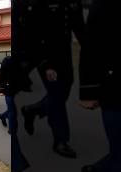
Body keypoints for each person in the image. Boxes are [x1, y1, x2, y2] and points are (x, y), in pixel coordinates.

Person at [18, 0, 85, 158]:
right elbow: (32, 33)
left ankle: (33, 110)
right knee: (56, 97)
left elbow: (79, 27)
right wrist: (46, 64)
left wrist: (91, 49)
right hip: (45, 56)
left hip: (65, 55)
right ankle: (60, 140)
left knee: (63, 91)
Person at [79, 0, 121, 172]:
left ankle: (97, 171)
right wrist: (88, 91)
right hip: (114, 88)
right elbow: (90, 48)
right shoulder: (104, 5)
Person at [0, 56, 31, 172]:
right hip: (8, 90)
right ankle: (12, 129)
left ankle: (2, 116)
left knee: (13, 111)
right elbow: (1, 74)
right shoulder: (7, 60)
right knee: (13, 112)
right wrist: (1, 89)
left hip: (18, 90)